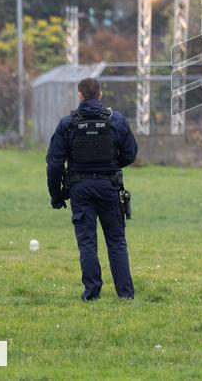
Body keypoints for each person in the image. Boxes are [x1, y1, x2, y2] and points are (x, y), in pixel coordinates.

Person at [46, 77, 138, 300]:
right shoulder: (116, 120)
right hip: (109, 186)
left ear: (80, 96)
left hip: (80, 189)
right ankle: (125, 295)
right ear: (100, 94)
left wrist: (56, 196)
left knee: (87, 242)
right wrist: (111, 165)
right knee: (116, 241)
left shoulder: (67, 124)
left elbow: (54, 164)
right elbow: (130, 154)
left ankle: (92, 294)